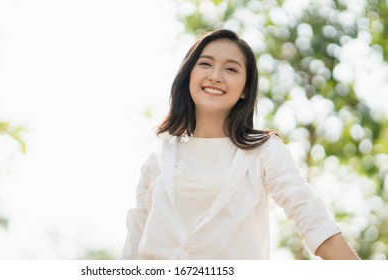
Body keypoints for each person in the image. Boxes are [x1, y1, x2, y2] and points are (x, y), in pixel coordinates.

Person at [121, 29, 359, 260]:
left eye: (231, 69)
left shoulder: (265, 153)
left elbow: (314, 222)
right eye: (205, 64)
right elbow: (132, 252)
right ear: (189, 75)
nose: (215, 75)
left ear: (245, 88)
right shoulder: (157, 162)